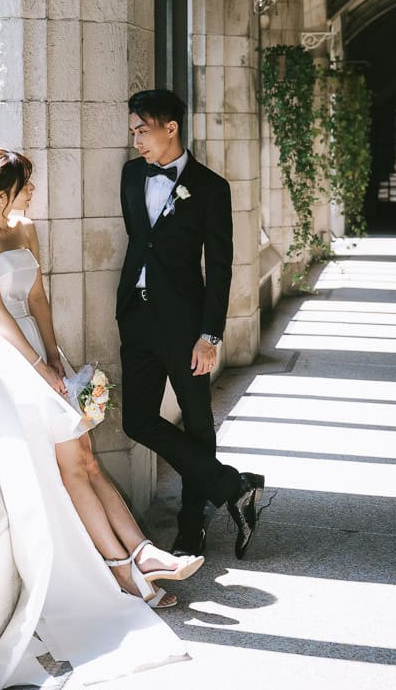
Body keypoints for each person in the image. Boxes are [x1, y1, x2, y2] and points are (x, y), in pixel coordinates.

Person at [0, 149, 202, 690]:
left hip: (37, 353)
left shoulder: (25, 230)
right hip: (7, 362)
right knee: (76, 460)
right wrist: (36, 368)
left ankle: (138, 559)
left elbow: (37, 299)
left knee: (86, 460)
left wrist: (56, 357)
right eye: (26, 185)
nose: (33, 193)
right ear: (0, 193)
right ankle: (130, 567)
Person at [116, 89, 265, 560]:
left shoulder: (211, 188)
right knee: (138, 421)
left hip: (185, 326)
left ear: (170, 127)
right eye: (134, 131)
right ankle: (234, 486)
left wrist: (210, 335)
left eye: (143, 129)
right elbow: (141, 244)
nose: (136, 139)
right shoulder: (130, 175)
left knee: (198, 424)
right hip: (136, 319)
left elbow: (220, 268)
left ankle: (190, 527)